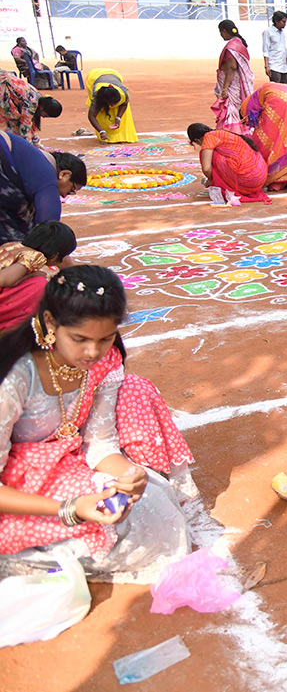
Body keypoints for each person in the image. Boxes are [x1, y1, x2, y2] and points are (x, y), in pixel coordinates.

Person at [0, 265, 192, 584]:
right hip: (15, 482)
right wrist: (72, 508)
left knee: (153, 504)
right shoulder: (15, 378)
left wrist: (129, 476)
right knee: (129, 532)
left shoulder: (103, 361)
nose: (92, 352)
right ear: (50, 323)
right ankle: (24, 558)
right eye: (79, 339)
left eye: (105, 338)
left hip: (65, 461)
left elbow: (100, 443)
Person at [0, 133, 85, 244]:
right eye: (70, 190)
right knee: (24, 225)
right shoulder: (47, 178)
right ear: (64, 174)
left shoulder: (40, 159)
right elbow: (49, 230)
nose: (65, 196)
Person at [0, 221, 75, 331]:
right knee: (39, 284)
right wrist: (32, 275)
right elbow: (2, 279)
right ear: (54, 257)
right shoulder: (33, 256)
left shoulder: (14, 246)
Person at [241, 83, 287, 191]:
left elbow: (252, 117)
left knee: (268, 138)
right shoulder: (264, 90)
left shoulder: (250, 103)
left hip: (279, 101)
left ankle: (272, 178)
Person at [186, 123, 270, 206]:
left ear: (197, 140)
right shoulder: (221, 133)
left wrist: (210, 180)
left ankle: (234, 186)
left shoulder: (209, 137)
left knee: (209, 155)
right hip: (260, 176)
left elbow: (206, 168)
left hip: (248, 179)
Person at [214, 20, 254, 135]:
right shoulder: (239, 43)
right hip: (238, 83)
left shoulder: (232, 47)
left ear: (224, 31)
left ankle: (234, 134)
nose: (221, 35)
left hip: (233, 84)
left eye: (221, 32)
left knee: (232, 110)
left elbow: (231, 67)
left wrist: (225, 88)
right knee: (237, 109)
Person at [0, 74, 61, 147]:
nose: (44, 117)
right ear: (42, 108)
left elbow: (31, 125)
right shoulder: (31, 104)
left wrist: (36, 142)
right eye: (45, 115)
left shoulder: (37, 98)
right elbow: (24, 129)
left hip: (4, 82)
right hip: (2, 85)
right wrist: (32, 148)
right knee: (11, 122)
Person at [85, 68, 138, 144]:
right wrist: (101, 131)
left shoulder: (124, 94)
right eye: (111, 104)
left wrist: (118, 117)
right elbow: (91, 116)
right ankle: (105, 135)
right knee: (101, 113)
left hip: (115, 74)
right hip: (94, 76)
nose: (113, 106)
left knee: (118, 112)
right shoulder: (97, 98)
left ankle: (119, 136)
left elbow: (124, 104)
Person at [262, 10, 287, 84]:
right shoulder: (268, 31)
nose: (285, 24)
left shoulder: (282, 33)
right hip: (274, 65)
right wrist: (266, 66)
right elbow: (266, 49)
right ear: (276, 21)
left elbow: (284, 51)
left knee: (284, 88)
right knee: (276, 88)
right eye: (283, 22)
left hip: (283, 66)